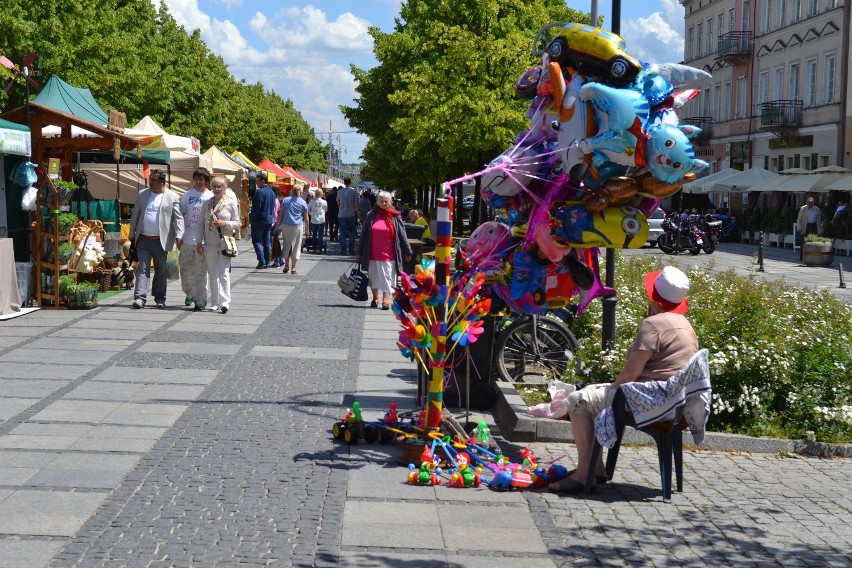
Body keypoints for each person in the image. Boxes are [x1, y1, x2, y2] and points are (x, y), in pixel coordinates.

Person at [549, 266, 698, 494]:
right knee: (593, 394)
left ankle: (583, 475)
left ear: (654, 298)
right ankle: (595, 469)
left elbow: (630, 374)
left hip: (648, 402)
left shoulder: (653, 325)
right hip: (674, 403)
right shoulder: (685, 325)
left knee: (578, 399)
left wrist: (611, 389)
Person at [129, 169, 184, 309]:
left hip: (162, 240)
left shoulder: (173, 197)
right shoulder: (142, 194)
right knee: (143, 268)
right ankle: (139, 298)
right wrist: (132, 233)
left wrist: (179, 235)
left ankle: (160, 298)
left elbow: (178, 218)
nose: (150, 182)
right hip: (143, 239)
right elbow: (135, 215)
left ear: (162, 182)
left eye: (154, 179)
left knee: (161, 270)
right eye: (150, 179)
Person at [356, 190, 412, 310]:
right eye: (381, 201)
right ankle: (375, 297)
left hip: (388, 253)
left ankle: (386, 299)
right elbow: (364, 234)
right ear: (377, 202)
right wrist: (359, 252)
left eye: (386, 201)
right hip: (372, 252)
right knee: (373, 277)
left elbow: (402, 234)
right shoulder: (371, 214)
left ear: (390, 202)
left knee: (387, 276)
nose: (384, 203)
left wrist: (407, 250)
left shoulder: (395, 216)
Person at [196, 176, 240, 314]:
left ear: (225, 188)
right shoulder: (207, 204)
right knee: (213, 273)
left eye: (219, 186)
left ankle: (225, 301)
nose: (216, 189)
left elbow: (238, 223)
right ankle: (214, 302)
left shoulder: (231, 203)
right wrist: (199, 242)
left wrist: (224, 223)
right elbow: (200, 225)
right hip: (209, 243)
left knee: (224, 273)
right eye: (214, 186)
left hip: (224, 243)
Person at [178, 167, 214, 310]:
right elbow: (180, 216)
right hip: (186, 239)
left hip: (203, 240)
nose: (199, 182)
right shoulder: (187, 195)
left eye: (202, 179)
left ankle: (200, 300)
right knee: (185, 271)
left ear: (206, 181)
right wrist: (178, 236)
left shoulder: (210, 197)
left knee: (200, 271)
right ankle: (189, 293)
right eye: (197, 179)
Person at [279, 184, 309, 274]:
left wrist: (277, 226)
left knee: (286, 244)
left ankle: (286, 265)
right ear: (301, 192)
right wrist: (307, 230)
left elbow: (280, 215)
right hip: (297, 226)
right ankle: (294, 268)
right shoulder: (303, 202)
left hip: (286, 225)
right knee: (296, 246)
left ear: (292, 190)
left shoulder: (285, 200)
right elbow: (306, 219)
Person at [250, 172, 276, 268]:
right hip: (269, 219)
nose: (257, 183)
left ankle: (262, 261)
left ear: (262, 181)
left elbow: (256, 208)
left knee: (256, 241)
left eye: (258, 181)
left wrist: (252, 218)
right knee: (267, 242)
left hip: (259, 220)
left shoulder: (260, 192)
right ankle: (267, 261)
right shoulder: (272, 192)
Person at [796, 196, 825, 260]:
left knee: (814, 241)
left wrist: (820, 228)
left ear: (813, 203)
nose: (810, 204)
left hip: (814, 226)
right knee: (803, 242)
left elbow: (819, 219)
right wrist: (799, 228)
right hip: (805, 226)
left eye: (811, 203)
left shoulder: (816, 209)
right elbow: (799, 219)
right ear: (807, 203)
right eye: (809, 203)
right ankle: (802, 257)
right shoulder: (803, 209)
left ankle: (813, 256)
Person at [337, 177, 358, 255]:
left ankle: (343, 249)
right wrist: (358, 213)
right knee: (352, 232)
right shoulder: (354, 192)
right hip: (351, 214)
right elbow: (356, 203)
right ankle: (351, 249)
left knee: (342, 232)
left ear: (344, 182)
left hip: (342, 214)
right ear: (350, 182)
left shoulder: (339, 192)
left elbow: (338, 203)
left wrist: (341, 208)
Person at [270, 185, 285, 268]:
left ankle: (277, 261)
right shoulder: (278, 200)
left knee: (273, 243)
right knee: (276, 242)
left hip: (274, 223)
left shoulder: (274, 200)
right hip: (277, 223)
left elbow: (274, 213)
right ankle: (280, 260)